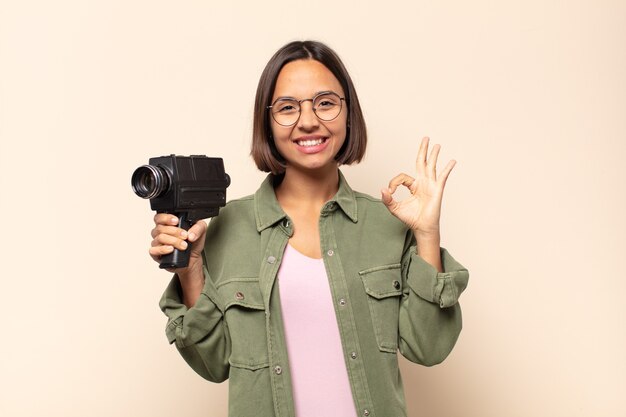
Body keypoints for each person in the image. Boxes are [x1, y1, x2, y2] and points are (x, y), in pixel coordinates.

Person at [151, 40, 469, 417]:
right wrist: (190, 271)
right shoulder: (227, 228)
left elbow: (428, 347)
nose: (308, 121)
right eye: (287, 108)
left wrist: (428, 235)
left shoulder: (387, 225)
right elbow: (213, 363)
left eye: (325, 102)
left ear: (348, 114)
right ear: (266, 124)